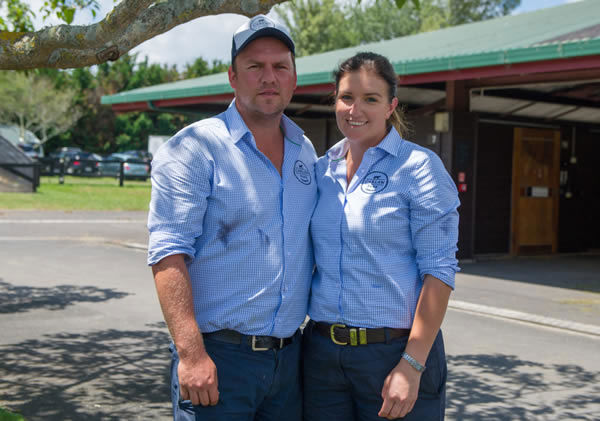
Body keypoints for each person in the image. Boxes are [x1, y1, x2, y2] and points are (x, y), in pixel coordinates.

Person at [147, 14, 317, 421]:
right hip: (219, 360)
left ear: (294, 78)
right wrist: (191, 354)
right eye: (254, 67)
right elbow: (168, 255)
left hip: (289, 363)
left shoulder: (305, 152)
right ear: (233, 77)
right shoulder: (193, 148)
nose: (268, 78)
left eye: (280, 67)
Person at [304, 52, 460, 421]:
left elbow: (439, 271)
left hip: (394, 352)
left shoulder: (419, 168)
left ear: (390, 106)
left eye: (370, 99)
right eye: (346, 97)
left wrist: (411, 364)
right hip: (323, 355)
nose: (355, 109)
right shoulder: (320, 170)